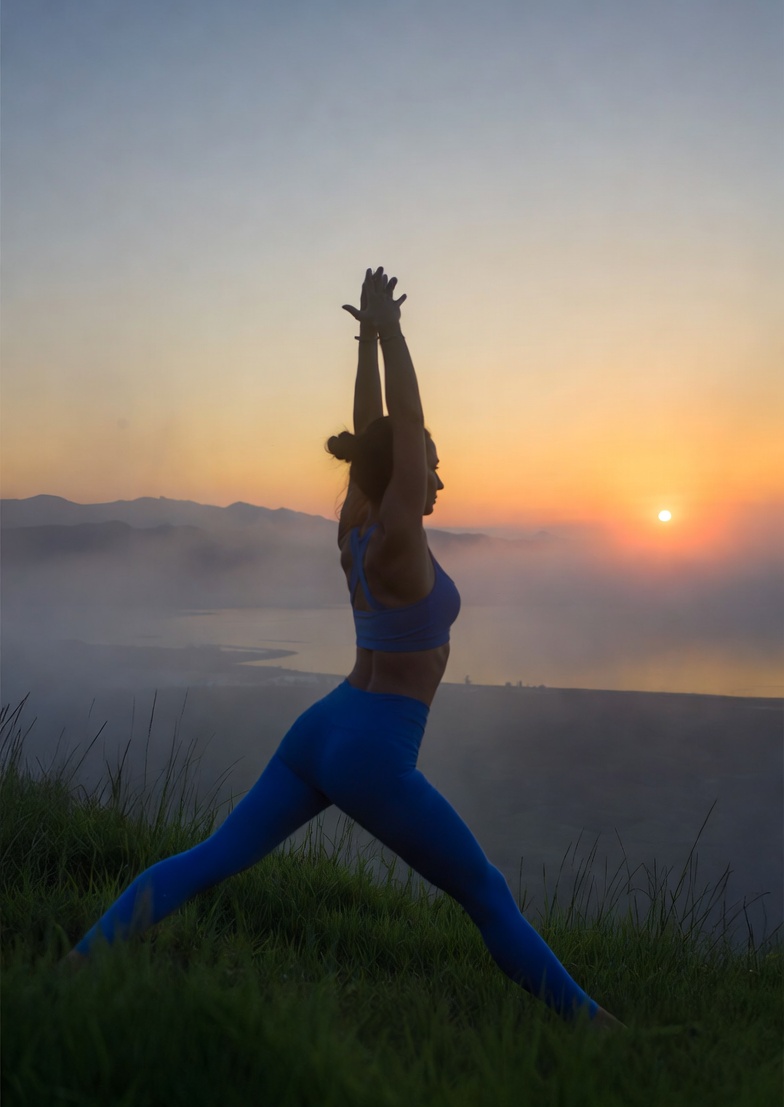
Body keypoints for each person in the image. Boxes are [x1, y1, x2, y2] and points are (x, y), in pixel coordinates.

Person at [67, 267, 621, 1028]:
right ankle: (605, 1034)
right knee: (488, 895)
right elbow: (401, 419)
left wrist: (366, 336)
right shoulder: (397, 534)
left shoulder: (356, 521)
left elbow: (374, 429)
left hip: (323, 727)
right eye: (429, 464)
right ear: (404, 474)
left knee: (207, 860)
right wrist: (392, 334)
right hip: (370, 747)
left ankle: (73, 971)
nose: (439, 478)